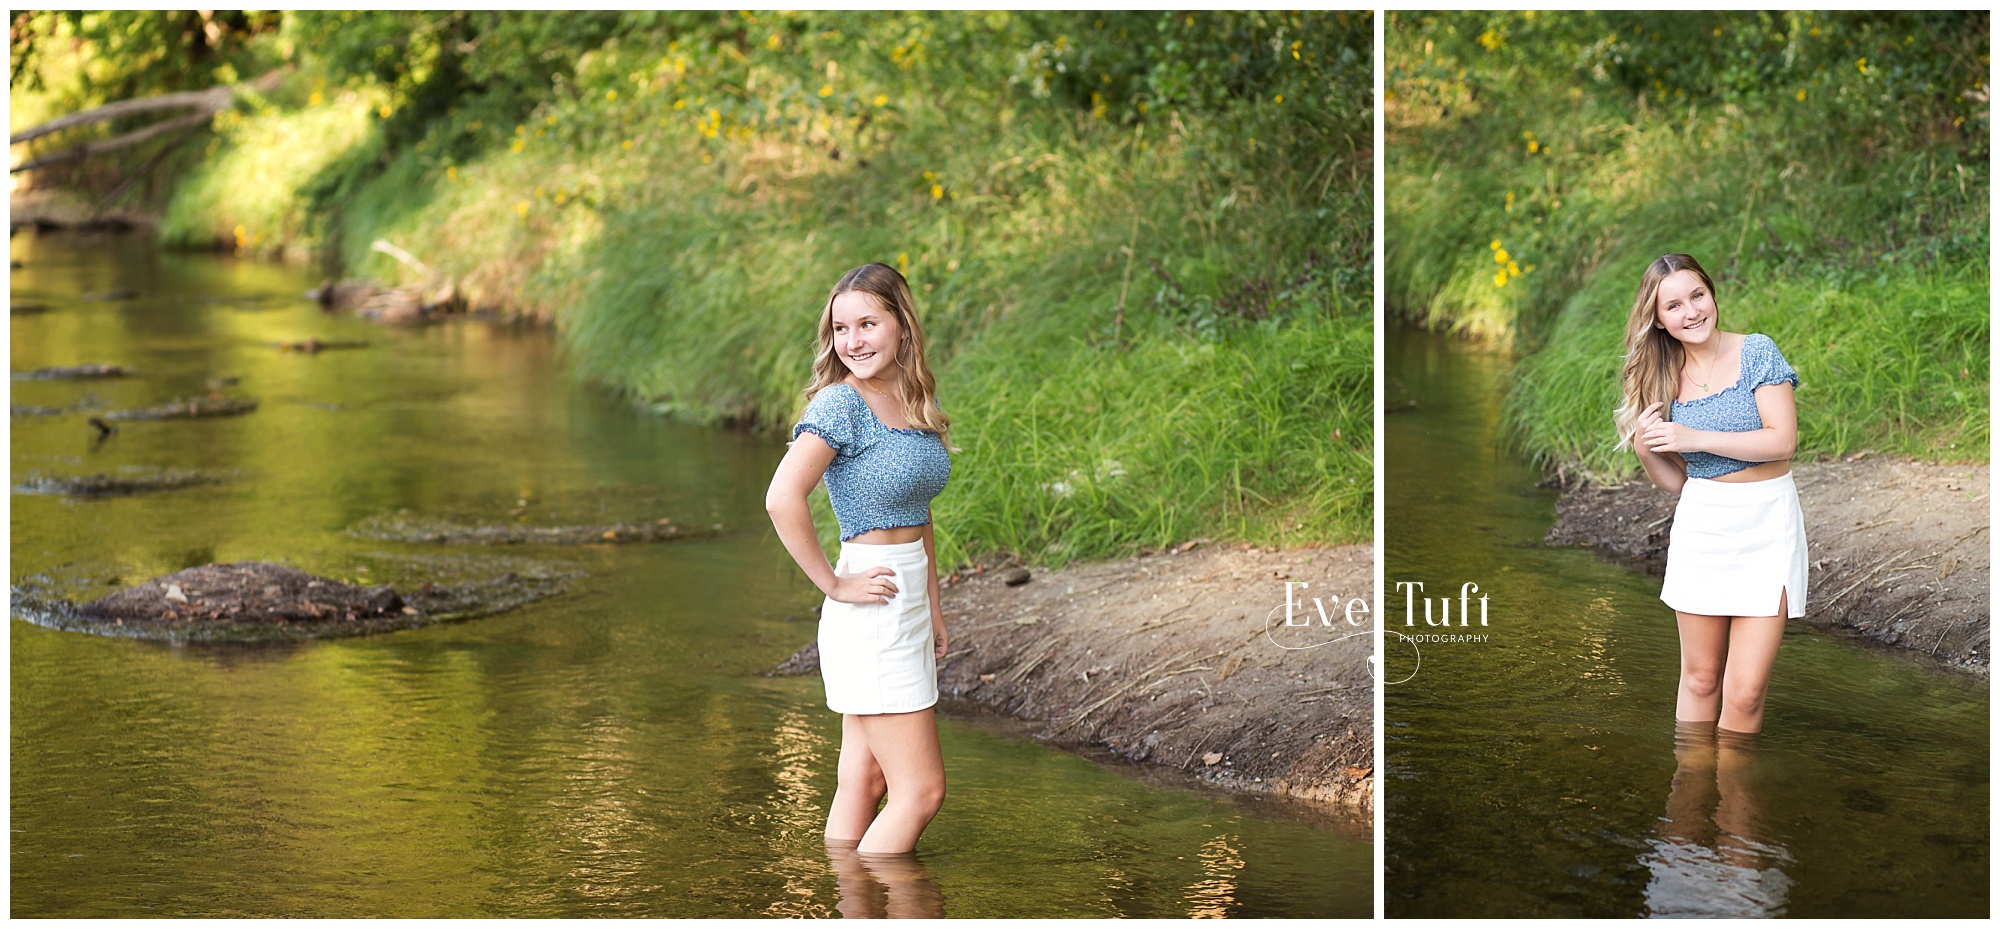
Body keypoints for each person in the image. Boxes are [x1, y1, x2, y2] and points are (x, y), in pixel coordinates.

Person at [765, 262, 954, 854]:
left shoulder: (913, 400)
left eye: (867, 324)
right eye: (841, 329)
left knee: (866, 780)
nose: (852, 342)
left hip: (906, 602)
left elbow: (918, 514)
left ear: (901, 324)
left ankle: (848, 897)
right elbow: (781, 498)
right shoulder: (840, 407)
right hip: (869, 605)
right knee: (921, 793)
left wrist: (935, 609)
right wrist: (834, 585)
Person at [1615, 253, 1805, 735]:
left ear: (1712, 294)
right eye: (1673, 305)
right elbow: (1680, 483)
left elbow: (1781, 440)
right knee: (1700, 681)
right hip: (1704, 526)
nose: (1691, 311)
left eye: (1697, 295)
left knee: (1745, 693)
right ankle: (1690, 800)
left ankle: (1738, 808)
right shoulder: (1658, 375)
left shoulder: (1755, 351)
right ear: (1658, 319)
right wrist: (1645, 445)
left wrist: (1693, 437)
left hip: (1768, 521)